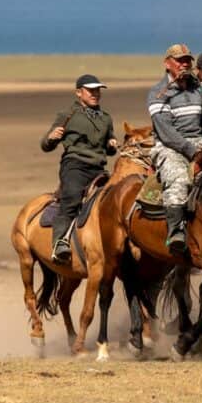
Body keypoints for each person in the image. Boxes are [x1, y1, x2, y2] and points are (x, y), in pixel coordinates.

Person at [147, 43, 202, 254]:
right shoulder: (157, 94)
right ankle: (175, 231)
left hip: (198, 141)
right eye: (179, 60)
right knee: (179, 179)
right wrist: (191, 151)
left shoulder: (199, 89)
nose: (184, 64)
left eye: (187, 60)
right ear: (167, 64)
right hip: (169, 146)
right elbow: (166, 132)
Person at [41, 74, 118, 263]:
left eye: (97, 90)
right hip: (75, 165)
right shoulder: (67, 115)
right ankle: (60, 243)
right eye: (90, 90)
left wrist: (111, 144)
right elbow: (46, 146)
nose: (95, 94)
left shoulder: (106, 118)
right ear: (78, 92)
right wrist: (51, 137)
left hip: (99, 169)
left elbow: (108, 150)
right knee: (72, 197)